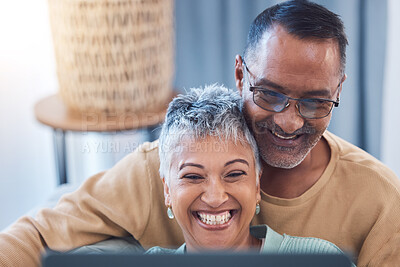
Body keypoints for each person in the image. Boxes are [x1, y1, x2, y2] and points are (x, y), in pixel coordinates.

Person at [0, 1, 399, 266]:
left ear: (338, 92)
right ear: (240, 74)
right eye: (270, 94)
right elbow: (33, 235)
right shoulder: (157, 166)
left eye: (315, 102)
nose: (290, 121)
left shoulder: (379, 199)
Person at [146, 85, 353, 264]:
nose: (215, 198)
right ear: (167, 190)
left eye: (234, 174)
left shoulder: (317, 260)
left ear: (256, 186)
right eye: (193, 176)